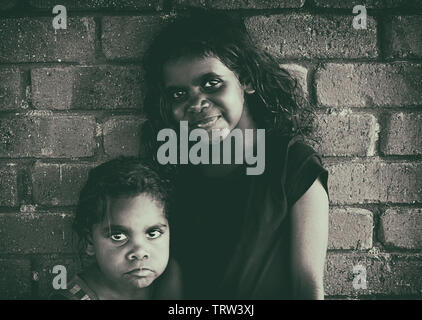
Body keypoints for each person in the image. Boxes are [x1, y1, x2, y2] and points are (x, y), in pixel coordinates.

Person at [142, 10, 329, 299]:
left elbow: (307, 285)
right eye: (178, 94)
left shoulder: (291, 163)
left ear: (246, 80)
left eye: (211, 83)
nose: (197, 103)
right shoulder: (174, 169)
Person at [51, 157, 182, 300]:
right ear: (90, 242)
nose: (139, 253)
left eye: (153, 233)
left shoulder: (172, 275)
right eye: (118, 236)